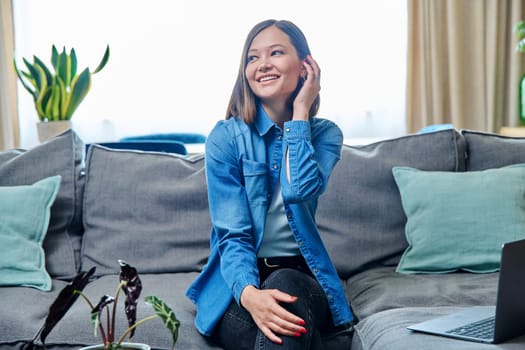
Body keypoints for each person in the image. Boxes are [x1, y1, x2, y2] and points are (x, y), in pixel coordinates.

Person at [186, 19, 354, 349]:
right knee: (291, 332)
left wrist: (300, 113)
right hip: (239, 287)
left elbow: (299, 189)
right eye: (252, 57)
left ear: (306, 66)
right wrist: (250, 296)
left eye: (276, 53)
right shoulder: (225, 139)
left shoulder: (325, 135)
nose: (262, 64)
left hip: (302, 279)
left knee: (286, 286)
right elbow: (232, 235)